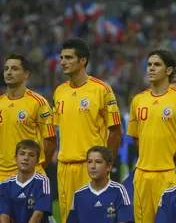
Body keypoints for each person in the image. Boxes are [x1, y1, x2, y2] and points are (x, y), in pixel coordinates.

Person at [127, 49, 176, 223]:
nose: (151, 69)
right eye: (149, 65)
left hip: (172, 174)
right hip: (143, 175)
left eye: (157, 65)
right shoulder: (138, 100)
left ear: (169, 71)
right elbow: (136, 137)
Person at [53, 37, 122, 223]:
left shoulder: (101, 89)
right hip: (65, 168)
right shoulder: (59, 92)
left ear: (82, 61)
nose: (62, 62)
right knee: (68, 218)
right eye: (61, 58)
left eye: (68, 57)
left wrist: (106, 163)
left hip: (90, 166)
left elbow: (115, 131)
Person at [0, 53, 57, 182]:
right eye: (6, 68)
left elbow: (51, 141)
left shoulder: (38, 103)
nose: (9, 72)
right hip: (2, 176)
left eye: (14, 69)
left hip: (30, 174)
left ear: (26, 74)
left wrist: (38, 165)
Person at [66, 146, 133, 223]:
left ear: (109, 167)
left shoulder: (119, 190)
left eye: (98, 162)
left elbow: (124, 220)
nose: (92, 166)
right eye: (89, 162)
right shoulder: (78, 195)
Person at [0, 140, 52, 223]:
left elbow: (38, 215)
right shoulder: (4, 185)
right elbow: (4, 216)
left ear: (37, 161)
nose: (26, 158)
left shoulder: (43, 181)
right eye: (22, 154)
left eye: (31, 155)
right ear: (15, 158)